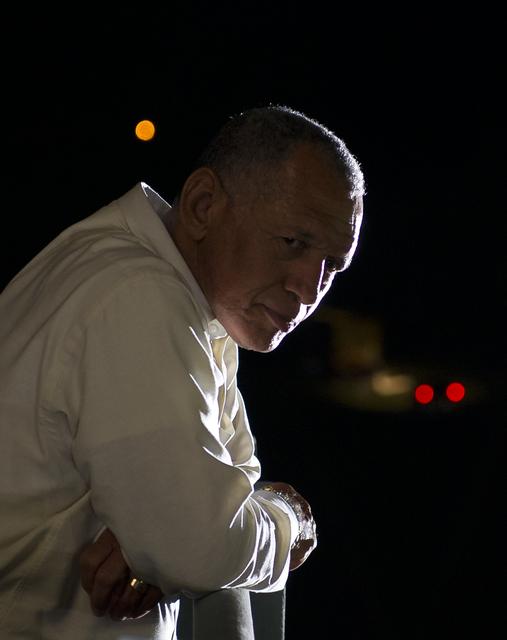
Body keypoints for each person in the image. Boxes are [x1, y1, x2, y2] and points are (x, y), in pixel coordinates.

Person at [0, 104, 365, 639]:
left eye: (331, 266)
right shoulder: (140, 297)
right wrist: (287, 521)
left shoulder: (183, 302)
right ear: (201, 205)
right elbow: (200, 545)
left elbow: (203, 525)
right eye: (294, 243)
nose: (309, 291)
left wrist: (165, 544)